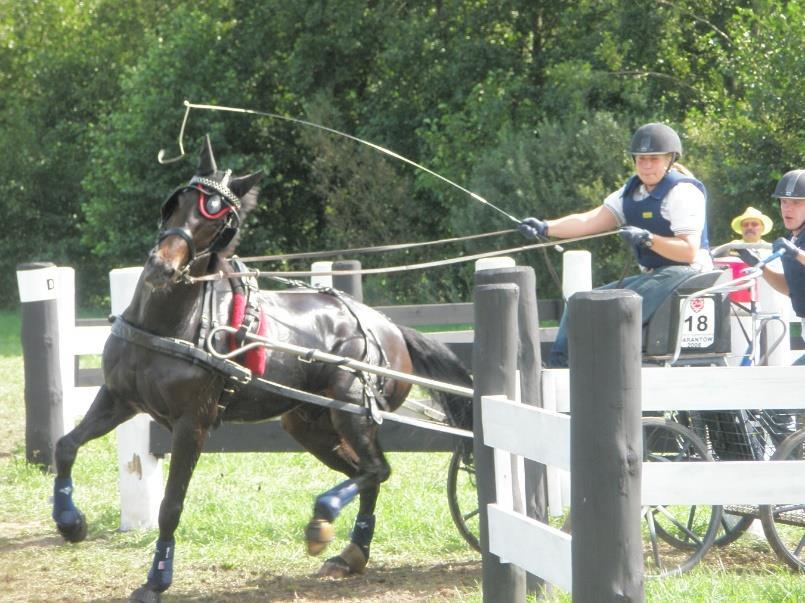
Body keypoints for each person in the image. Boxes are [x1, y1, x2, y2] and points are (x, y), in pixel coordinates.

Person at [518, 122, 711, 367]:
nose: (646, 165)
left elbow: (688, 251)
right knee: (579, 303)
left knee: (615, 307)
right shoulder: (631, 192)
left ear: (669, 159)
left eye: (653, 158)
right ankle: (560, 367)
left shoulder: (682, 192)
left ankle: (603, 366)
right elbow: (590, 220)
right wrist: (546, 227)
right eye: (640, 159)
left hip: (689, 275)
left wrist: (648, 239)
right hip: (658, 276)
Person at [737, 169, 805, 366]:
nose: (787, 208)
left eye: (796, 202)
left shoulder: (795, 246)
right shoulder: (796, 239)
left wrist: (795, 253)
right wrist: (762, 268)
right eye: (784, 202)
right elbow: (791, 288)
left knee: (788, 392)